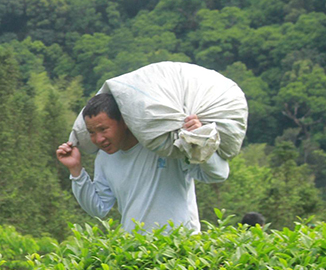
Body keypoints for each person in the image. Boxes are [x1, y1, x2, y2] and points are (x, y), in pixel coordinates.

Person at [55, 93, 230, 234]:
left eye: (103, 129)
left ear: (124, 122)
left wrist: (200, 138)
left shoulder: (164, 144)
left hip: (182, 247)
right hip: (136, 252)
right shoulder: (104, 158)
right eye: (91, 132)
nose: (98, 139)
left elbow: (217, 175)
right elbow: (98, 208)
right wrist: (75, 169)